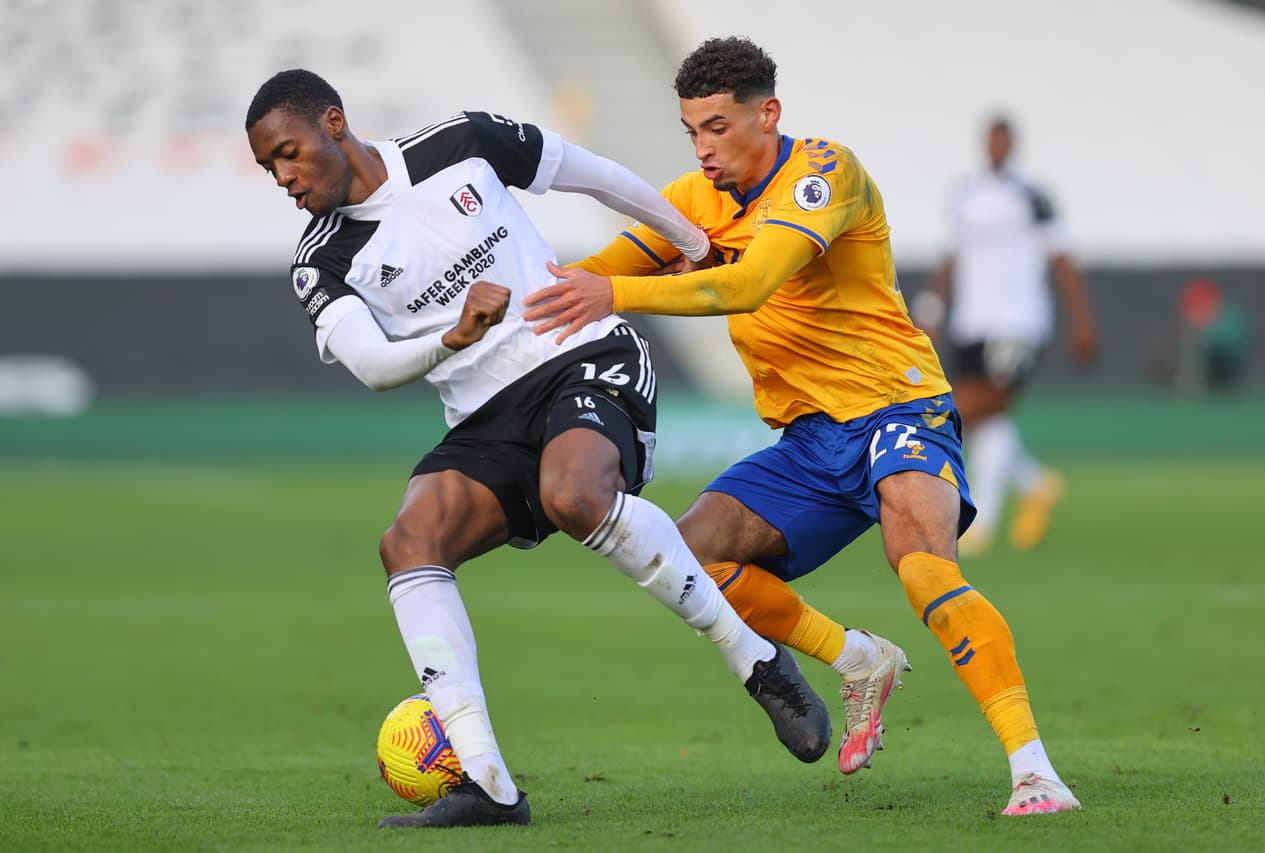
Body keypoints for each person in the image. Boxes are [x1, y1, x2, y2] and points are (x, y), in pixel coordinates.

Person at [244, 68, 830, 830]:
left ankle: (754, 657)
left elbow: (595, 175)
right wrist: (452, 336)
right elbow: (373, 364)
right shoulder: (320, 260)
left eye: (288, 153)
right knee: (408, 541)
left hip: (580, 353)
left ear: (333, 122)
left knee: (574, 493)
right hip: (486, 417)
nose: (284, 178)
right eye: (269, 168)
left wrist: (693, 241)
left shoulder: (461, 141)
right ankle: (487, 784)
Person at [523, 37, 1080, 816]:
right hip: (811, 440)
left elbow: (749, 283)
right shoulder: (693, 200)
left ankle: (1034, 770)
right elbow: (589, 273)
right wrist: (497, 297)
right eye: (692, 131)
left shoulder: (823, 174)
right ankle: (857, 658)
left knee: (923, 568)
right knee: (691, 556)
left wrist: (617, 295)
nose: (703, 148)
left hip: (897, 405)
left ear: (768, 114)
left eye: (718, 127)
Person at [914, 116, 1097, 556]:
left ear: (1012, 145)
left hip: (1018, 321)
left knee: (972, 407)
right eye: (991, 141)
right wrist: (933, 306)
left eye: (1003, 141)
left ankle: (982, 522)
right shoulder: (966, 193)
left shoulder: (1033, 193)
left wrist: (1082, 322)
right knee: (988, 417)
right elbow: (952, 255)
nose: (996, 148)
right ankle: (1035, 484)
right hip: (971, 321)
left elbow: (1062, 259)